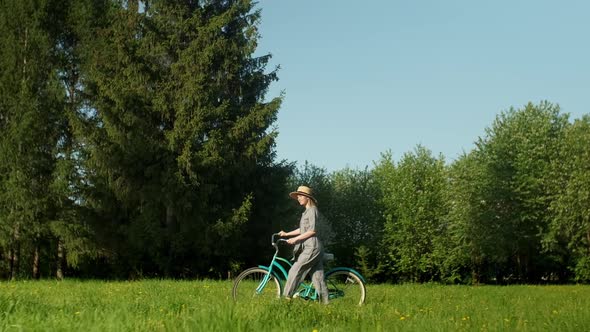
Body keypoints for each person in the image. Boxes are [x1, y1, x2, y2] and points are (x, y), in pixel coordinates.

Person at [279, 185, 329, 304]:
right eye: (297, 196)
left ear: (307, 197)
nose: (298, 198)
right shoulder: (307, 211)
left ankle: (286, 299)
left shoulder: (312, 210)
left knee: (295, 270)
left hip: (312, 247)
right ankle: (326, 304)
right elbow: (303, 229)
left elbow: (312, 231)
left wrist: (295, 240)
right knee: (318, 278)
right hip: (312, 247)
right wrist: (287, 234)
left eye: (300, 196)